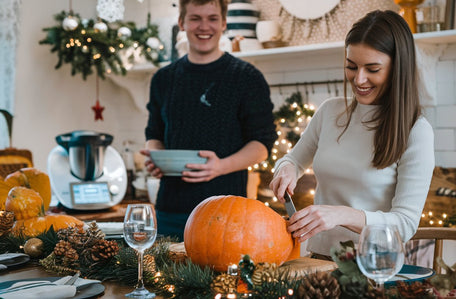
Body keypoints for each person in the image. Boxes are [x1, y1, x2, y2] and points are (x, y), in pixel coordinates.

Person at [270, 10, 435, 259]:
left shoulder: (416, 130)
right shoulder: (329, 112)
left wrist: (341, 214)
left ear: (397, 68)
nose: (358, 79)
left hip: (375, 268)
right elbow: (292, 160)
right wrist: (286, 170)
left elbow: (404, 224)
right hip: (320, 262)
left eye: (372, 69)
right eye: (351, 66)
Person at [142, 0, 277, 240]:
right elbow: (154, 135)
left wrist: (220, 166)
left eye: (212, 18)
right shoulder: (163, 79)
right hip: (169, 213)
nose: (204, 26)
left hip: (227, 214)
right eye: (195, 18)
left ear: (224, 23)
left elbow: (262, 145)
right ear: (182, 22)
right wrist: (156, 158)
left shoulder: (247, 77)